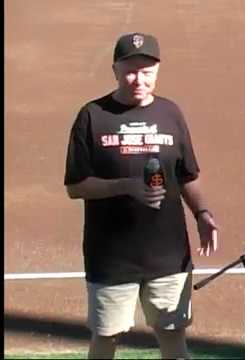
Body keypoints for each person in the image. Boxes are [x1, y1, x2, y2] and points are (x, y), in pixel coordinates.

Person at [64, 32, 218, 359]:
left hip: (168, 254)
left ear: (158, 70)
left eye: (147, 71)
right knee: (106, 338)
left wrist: (202, 213)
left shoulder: (171, 114)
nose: (138, 79)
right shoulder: (92, 116)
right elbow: (75, 186)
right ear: (115, 70)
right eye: (130, 70)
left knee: (174, 338)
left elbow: (187, 174)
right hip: (111, 257)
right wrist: (126, 186)